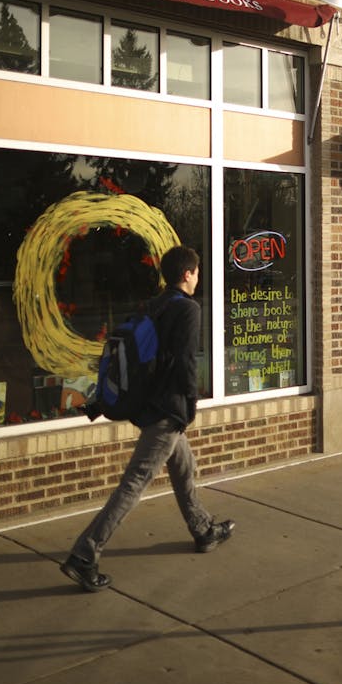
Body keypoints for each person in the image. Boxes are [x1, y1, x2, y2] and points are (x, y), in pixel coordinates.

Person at [60, 245, 235, 592]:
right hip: (166, 412)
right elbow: (185, 362)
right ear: (187, 274)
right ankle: (84, 555)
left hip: (151, 407)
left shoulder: (155, 305)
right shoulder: (187, 309)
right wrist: (189, 405)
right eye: (197, 272)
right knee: (134, 483)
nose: (198, 278)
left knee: (184, 465)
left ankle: (202, 529)